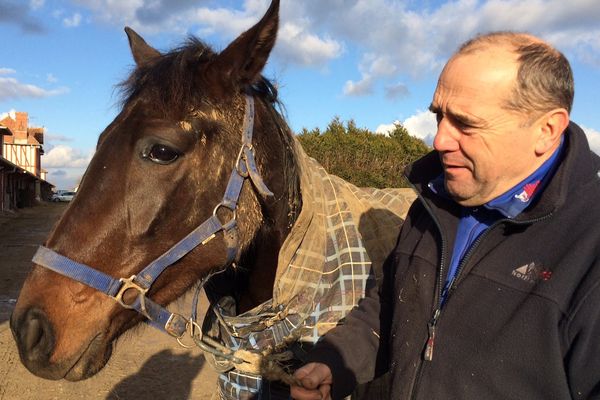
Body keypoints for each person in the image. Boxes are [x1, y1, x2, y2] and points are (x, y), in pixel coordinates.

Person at [290, 31, 600, 400]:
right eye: (438, 116)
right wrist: (335, 363)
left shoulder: (588, 246)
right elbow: (391, 304)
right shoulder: (434, 202)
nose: (438, 141)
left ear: (546, 131)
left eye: (466, 124)